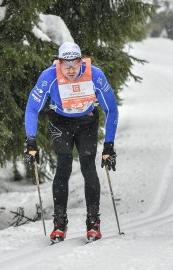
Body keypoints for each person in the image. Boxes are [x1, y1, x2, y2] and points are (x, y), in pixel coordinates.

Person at [25, 42, 118, 242]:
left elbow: (111, 109)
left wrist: (109, 144)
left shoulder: (95, 74)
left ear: (80, 61)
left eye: (74, 65)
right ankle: (59, 223)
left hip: (87, 121)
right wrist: (31, 141)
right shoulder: (49, 76)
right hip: (60, 122)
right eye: (65, 65)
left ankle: (93, 222)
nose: (70, 70)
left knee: (88, 166)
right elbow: (32, 108)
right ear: (58, 63)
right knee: (64, 165)